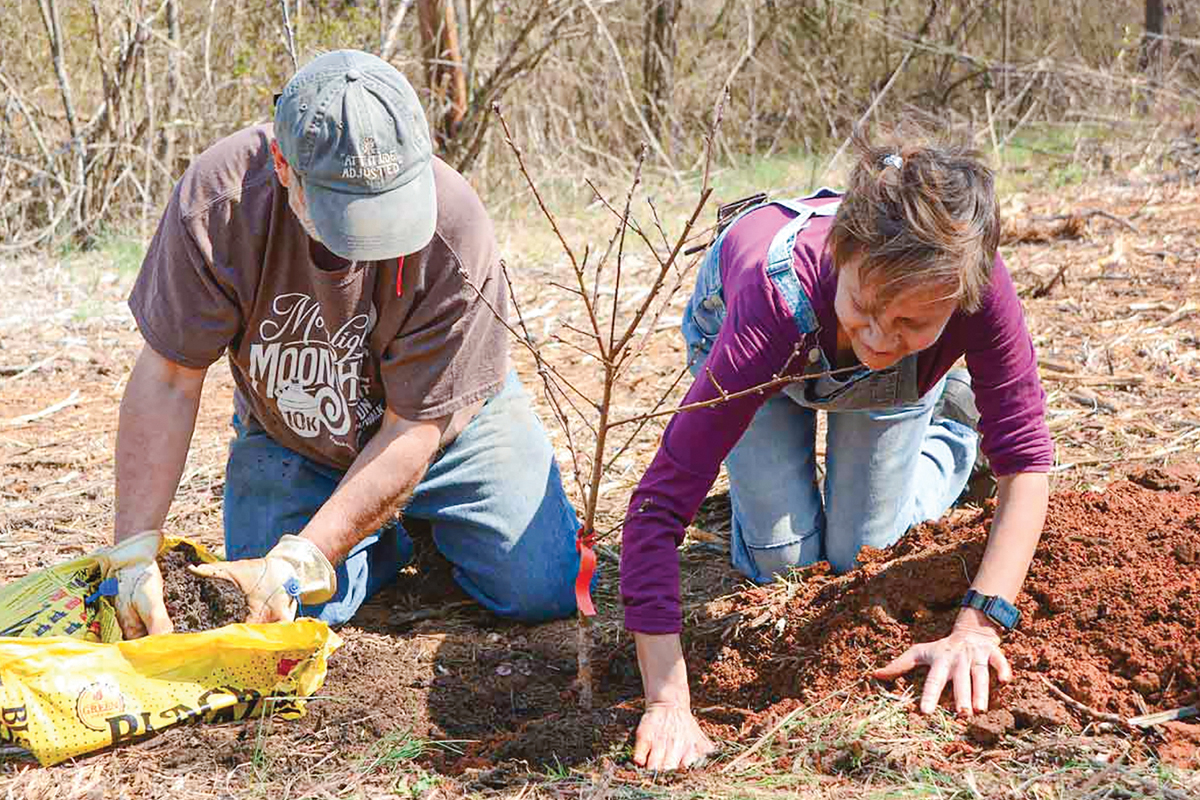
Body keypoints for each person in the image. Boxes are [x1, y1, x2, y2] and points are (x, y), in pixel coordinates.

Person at [105, 49, 583, 639]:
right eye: (350, 216)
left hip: (444, 418)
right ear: (283, 164)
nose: (370, 241)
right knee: (274, 609)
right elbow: (169, 378)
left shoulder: (456, 224)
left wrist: (305, 556)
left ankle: (410, 514)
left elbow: (415, 430)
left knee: (540, 587)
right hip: (298, 430)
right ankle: (380, 534)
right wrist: (132, 550)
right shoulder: (220, 203)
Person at [620, 130, 1053, 770]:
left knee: (861, 555)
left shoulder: (975, 287)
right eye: (868, 306)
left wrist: (978, 624)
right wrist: (667, 701)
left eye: (910, 321)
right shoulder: (772, 304)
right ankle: (763, 453)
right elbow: (657, 507)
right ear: (842, 257)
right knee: (784, 565)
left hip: (903, 378)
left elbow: (1025, 459)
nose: (880, 336)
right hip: (774, 348)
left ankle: (955, 422)